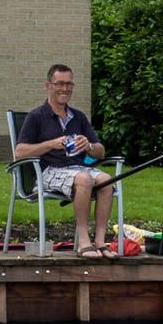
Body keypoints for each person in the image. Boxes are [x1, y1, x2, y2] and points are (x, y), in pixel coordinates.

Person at [13, 63, 116, 257]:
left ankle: (101, 241)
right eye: (60, 83)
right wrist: (51, 144)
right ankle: (84, 242)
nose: (65, 89)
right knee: (85, 178)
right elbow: (19, 152)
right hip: (49, 170)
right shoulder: (36, 116)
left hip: (78, 167)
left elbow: (101, 152)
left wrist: (89, 147)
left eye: (69, 84)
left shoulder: (78, 117)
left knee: (107, 181)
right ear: (48, 85)